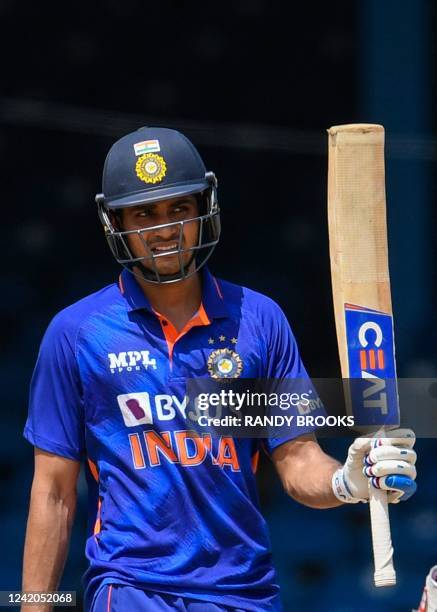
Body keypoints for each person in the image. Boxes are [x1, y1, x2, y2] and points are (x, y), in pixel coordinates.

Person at [22, 127, 417, 612]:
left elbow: (296, 459)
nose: (165, 229)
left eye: (179, 208)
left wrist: (347, 482)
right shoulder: (77, 333)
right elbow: (54, 492)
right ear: (115, 221)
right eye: (144, 213)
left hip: (242, 592)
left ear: (203, 208)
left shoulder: (259, 318)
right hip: (132, 588)